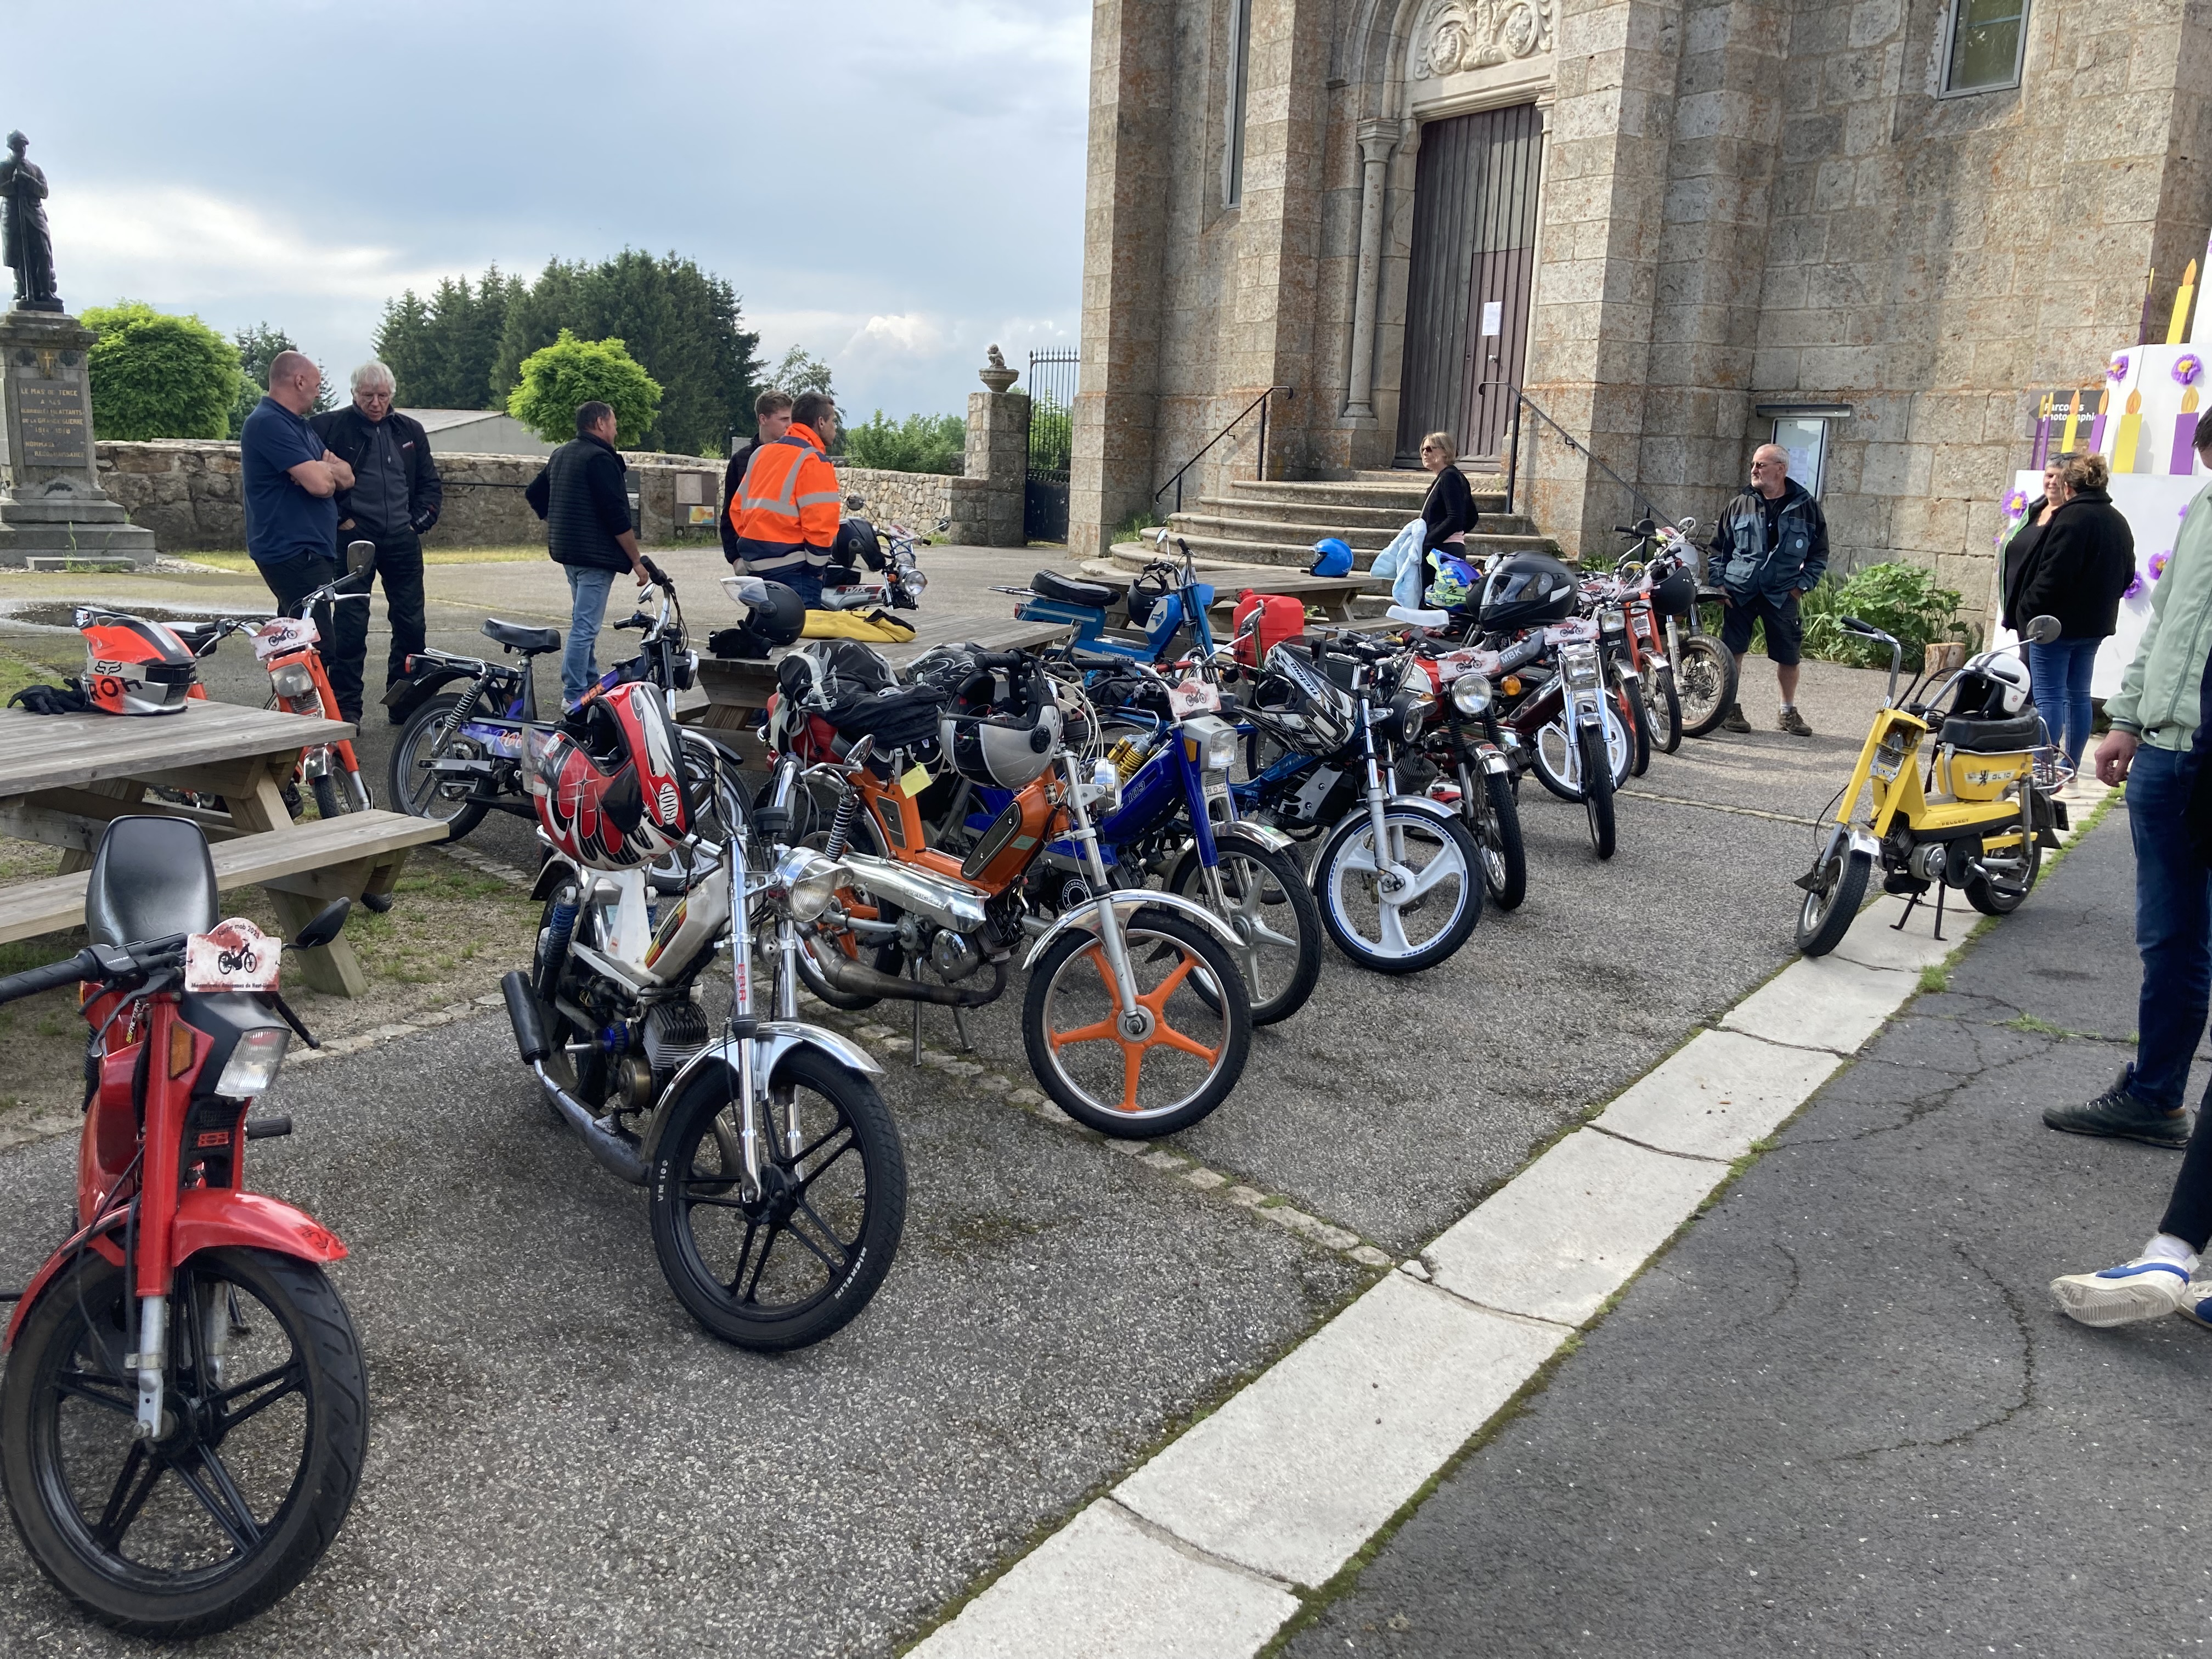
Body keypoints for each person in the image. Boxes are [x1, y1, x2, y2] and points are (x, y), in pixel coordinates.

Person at [2046, 412, 2212, 1329]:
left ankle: (2173, 1244)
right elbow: (2167, 625)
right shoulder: (2202, 509)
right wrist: (2128, 718)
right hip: (2174, 752)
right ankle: (2153, 1094)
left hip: (2199, 754)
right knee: (2169, 937)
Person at [311, 362, 442, 721]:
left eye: (383, 396)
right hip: (354, 540)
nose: (375, 403)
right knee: (350, 626)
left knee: (411, 625)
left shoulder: (410, 430)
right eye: (368, 395)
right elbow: (313, 480)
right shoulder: (329, 427)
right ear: (354, 393)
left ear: (392, 396)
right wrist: (343, 521)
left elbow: (430, 484)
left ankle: (404, 704)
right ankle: (347, 708)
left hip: (402, 539)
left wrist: (417, 524)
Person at [240, 351, 365, 717]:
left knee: (296, 639)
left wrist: (323, 471)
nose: (318, 390)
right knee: (315, 643)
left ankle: (297, 723)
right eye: (316, 383)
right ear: (298, 381)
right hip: (292, 550)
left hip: (310, 548)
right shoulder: (268, 423)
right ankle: (311, 728)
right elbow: (320, 485)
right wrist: (319, 473)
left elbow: (345, 475)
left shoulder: (299, 426)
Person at [524, 401, 650, 707]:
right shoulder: (599, 459)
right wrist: (636, 560)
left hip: (569, 553)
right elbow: (616, 516)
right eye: (614, 422)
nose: (616, 429)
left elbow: (534, 493)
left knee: (584, 621)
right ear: (599, 423)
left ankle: (591, 685)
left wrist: (561, 521)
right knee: (585, 627)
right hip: (595, 557)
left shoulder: (562, 454)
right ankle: (573, 695)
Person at [2014, 449, 2134, 771]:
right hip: (2093, 626)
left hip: (2055, 625)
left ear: (2069, 486)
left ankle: (2044, 768)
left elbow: (2053, 575)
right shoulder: (2117, 520)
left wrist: (2027, 610)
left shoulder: (2070, 518)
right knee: (2079, 695)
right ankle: (2070, 767)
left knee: (2049, 698)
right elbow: (2126, 575)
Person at [1708, 443, 1827, 737]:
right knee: (1733, 652)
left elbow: (1819, 555)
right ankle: (1729, 708)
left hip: (1782, 594)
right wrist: (1720, 583)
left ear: (1781, 469)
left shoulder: (1806, 507)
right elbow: (1717, 549)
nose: (1754, 470)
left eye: (1761, 465)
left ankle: (1787, 712)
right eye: (1753, 464)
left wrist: (1801, 587)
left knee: (1789, 656)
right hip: (1740, 592)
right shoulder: (1739, 504)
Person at [731, 390, 841, 606]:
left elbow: (737, 510)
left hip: (757, 569)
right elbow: (820, 526)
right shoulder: (813, 460)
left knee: (769, 635)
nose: (834, 428)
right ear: (820, 422)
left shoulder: (760, 454)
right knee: (801, 639)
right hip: (796, 573)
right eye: (833, 421)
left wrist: (756, 549)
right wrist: (817, 569)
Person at [720, 390, 793, 567]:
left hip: (790, 558)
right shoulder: (740, 461)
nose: (790, 425)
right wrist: (735, 559)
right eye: (784, 419)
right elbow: (729, 513)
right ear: (763, 419)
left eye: (792, 419)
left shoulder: (797, 458)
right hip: (752, 557)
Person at [1998, 455, 2068, 637]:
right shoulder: (2033, 510)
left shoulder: (2070, 517)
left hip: (2045, 615)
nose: (2053, 482)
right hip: (2021, 611)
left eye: (2059, 477)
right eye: (2049, 476)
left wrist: (2030, 604)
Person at [1418, 431, 1476, 556]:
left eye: (1429, 449)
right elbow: (1472, 517)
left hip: (1442, 551)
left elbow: (1455, 518)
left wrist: (1430, 540)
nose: (1424, 453)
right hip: (1445, 548)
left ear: (1445, 451)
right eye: (1422, 450)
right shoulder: (1449, 476)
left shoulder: (1449, 477)